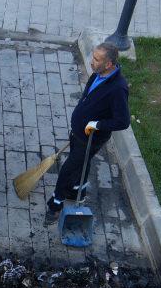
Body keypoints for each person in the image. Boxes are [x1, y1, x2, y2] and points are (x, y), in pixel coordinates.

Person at [46, 43, 130, 224]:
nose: (92, 62)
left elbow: (123, 121)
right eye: (93, 57)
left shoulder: (118, 88)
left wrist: (97, 124)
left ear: (109, 64)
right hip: (79, 132)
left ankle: (55, 205)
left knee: (68, 169)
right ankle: (78, 191)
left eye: (97, 59)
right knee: (82, 163)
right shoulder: (98, 74)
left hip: (91, 138)